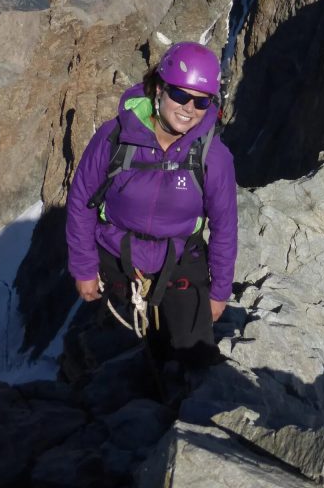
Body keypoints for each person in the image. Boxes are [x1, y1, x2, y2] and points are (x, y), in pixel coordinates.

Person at [65, 41, 238, 363]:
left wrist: (219, 292)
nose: (189, 108)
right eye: (180, 95)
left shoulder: (213, 156)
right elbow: (81, 203)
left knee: (194, 364)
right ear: (159, 89)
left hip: (181, 260)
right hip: (117, 261)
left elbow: (225, 226)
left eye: (201, 102)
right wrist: (83, 268)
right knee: (116, 369)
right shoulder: (114, 137)